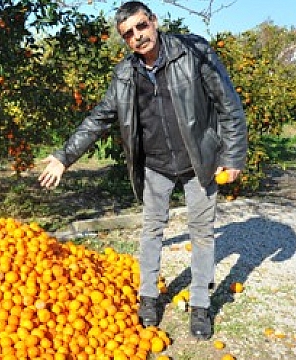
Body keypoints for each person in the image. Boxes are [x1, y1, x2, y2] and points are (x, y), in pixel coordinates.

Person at [38, 1, 247, 340]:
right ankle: (148, 297)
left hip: (200, 162)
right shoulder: (125, 74)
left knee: (202, 233)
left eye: (141, 27)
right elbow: (98, 118)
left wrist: (233, 156)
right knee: (151, 231)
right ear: (124, 40)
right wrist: (64, 156)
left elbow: (228, 104)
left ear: (153, 21)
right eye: (128, 34)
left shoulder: (193, 52)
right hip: (156, 166)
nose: (137, 37)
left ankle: (200, 305)